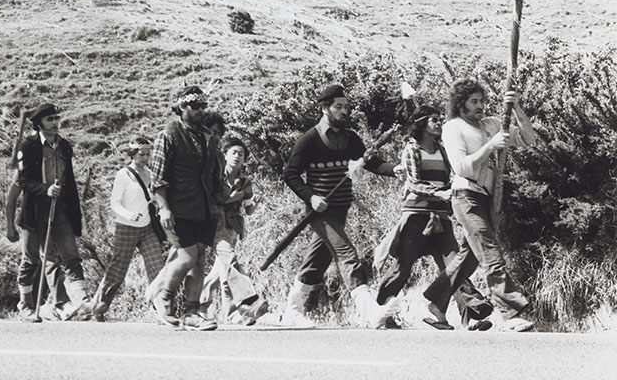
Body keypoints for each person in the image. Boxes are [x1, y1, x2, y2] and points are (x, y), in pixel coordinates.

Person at [423, 79, 537, 332]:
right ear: (460, 104)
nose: (480, 106)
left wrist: (516, 107)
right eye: (473, 102)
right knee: (490, 252)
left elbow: (529, 139)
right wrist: (491, 146)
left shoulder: (493, 124)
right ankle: (510, 312)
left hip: (487, 198)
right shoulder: (453, 128)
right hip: (465, 196)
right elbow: (461, 167)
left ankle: (437, 304)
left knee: (470, 258)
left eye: (482, 101)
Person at [281, 84, 394, 328]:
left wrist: (397, 170)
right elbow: (290, 174)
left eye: (346, 107)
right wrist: (310, 197)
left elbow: (371, 163)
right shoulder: (309, 139)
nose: (345, 111)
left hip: (341, 209)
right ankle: (369, 312)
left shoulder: (350, 138)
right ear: (325, 109)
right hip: (320, 212)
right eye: (338, 107)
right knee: (347, 254)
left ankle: (292, 310)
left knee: (317, 261)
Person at [374, 105, 493, 330]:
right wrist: (440, 192)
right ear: (421, 124)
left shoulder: (441, 149)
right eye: (434, 120)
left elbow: (450, 178)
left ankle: (471, 315)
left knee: (453, 263)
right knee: (403, 266)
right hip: (415, 216)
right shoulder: (411, 150)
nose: (439, 123)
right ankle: (382, 309)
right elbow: (414, 183)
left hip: (440, 216)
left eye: (440, 119)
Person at [148, 85, 222, 331]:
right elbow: (157, 177)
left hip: (202, 208)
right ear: (182, 107)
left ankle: (191, 312)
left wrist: (217, 205)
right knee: (187, 256)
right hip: (177, 208)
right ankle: (163, 298)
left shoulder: (207, 136)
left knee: (199, 260)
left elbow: (212, 174)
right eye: (196, 106)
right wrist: (164, 208)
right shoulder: (168, 134)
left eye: (204, 106)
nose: (201, 110)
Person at [17, 102, 91, 321]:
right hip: (35, 210)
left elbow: (70, 181)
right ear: (40, 123)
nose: (55, 123)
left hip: (61, 208)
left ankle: (78, 301)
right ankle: (26, 305)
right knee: (33, 259)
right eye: (50, 119)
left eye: (57, 119)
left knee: (70, 255)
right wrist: (45, 189)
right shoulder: (28, 146)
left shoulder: (64, 146)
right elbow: (24, 180)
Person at [90, 136, 166, 319]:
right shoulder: (123, 175)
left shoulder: (150, 174)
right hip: (126, 227)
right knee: (118, 270)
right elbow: (114, 204)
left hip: (147, 227)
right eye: (141, 154)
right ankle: (98, 306)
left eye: (148, 154)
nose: (145, 157)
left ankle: (162, 309)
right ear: (133, 154)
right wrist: (128, 214)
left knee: (157, 266)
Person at [199, 137, 268, 326]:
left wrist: (255, 203)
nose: (238, 156)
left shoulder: (245, 182)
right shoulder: (215, 177)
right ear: (225, 155)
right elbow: (211, 200)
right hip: (215, 224)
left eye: (242, 154)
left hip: (233, 228)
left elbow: (249, 210)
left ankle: (202, 305)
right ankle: (247, 303)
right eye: (234, 152)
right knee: (229, 262)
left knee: (221, 271)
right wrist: (230, 199)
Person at [5, 166, 69, 320]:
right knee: (30, 260)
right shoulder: (25, 168)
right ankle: (25, 305)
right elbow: (11, 198)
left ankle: (60, 304)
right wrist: (10, 227)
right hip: (30, 218)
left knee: (51, 258)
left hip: (50, 218)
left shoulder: (55, 165)